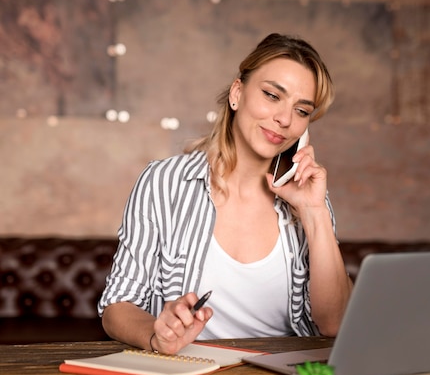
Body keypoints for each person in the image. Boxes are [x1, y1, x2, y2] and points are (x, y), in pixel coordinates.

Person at [98, 33, 353, 355]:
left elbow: (336, 324)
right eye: (272, 95)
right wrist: (156, 335)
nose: (285, 119)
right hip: (188, 374)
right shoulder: (164, 182)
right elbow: (117, 305)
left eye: (302, 111)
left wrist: (314, 211)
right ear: (237, 93)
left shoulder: (307, 195)